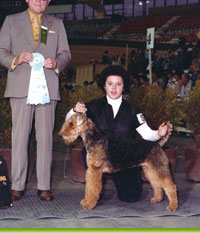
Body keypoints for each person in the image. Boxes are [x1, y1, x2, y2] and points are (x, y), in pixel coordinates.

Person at [0, 0, 71, 202]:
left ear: (49, 1)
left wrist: (56, 63)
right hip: (20, 88)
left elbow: (66, 54)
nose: (39, 0)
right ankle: (17, 185)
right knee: (19, 139)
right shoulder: (11, 21)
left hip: (48, 89)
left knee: (46, 139)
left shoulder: (57, 23)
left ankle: (44, 186)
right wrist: (15, 59)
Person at [66, 65, 172, 203]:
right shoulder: (92, 106)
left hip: (124, 158)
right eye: (110, 84)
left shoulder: (133, 110)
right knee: (96, 191)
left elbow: (147, 135)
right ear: (104, 85)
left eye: (118, 84)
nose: (114, 88)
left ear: (124, 87)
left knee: (131, 197)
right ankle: (97, 189)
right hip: (98, 155)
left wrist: (158, 133)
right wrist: (74, 110)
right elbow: (70, 122)